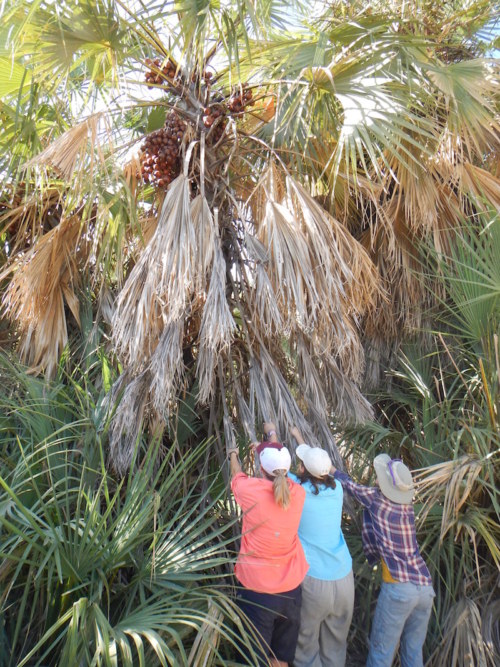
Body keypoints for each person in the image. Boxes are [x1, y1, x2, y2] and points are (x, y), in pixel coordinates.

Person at [333, 454, 435, 667]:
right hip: (425, 587)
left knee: (382, 652)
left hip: (399, 589)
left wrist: (332, 471)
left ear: (386, 484)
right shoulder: (406, 508)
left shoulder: (376, 499)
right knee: (413, 652)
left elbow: (349, 485)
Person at [228, 423, 309, 667]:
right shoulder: (297, 493)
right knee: (280, 660)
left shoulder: (251, 492)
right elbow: (277, 472)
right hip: (291, 592)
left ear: (261, 469)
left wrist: (233, 453)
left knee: (254, 659)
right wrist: (271, 434)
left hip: (258, 592)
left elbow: (236, 476)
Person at [288, 426, 354, 667]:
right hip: (344, 578)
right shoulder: (336, 488)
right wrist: (299, 437)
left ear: (303, 468)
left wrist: (274, 435)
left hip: (315, 581)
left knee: (305, 649)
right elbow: (316, 464)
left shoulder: (298, 489)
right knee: (336, 647)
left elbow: (275, 468)